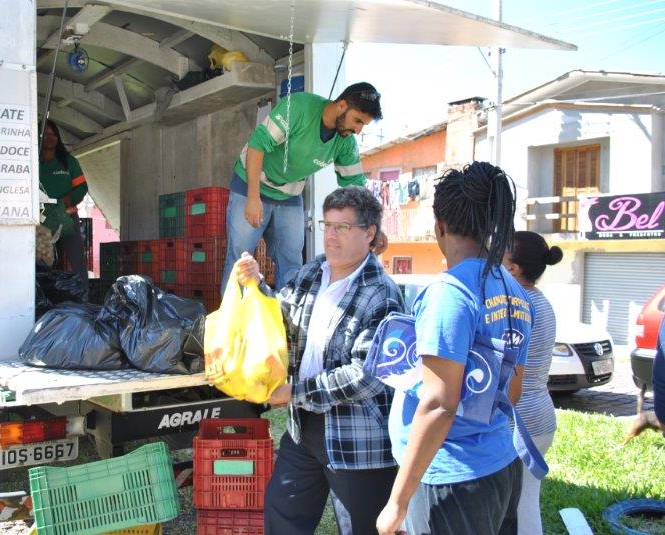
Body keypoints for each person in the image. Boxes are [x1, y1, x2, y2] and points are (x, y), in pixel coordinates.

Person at [234, 186, 405, 535]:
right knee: (282, 514)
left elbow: (365, 376)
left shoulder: (382, 293)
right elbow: (280, 314)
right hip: (303, 429)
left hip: (356, 439)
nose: (330, 235)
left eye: (343, 227)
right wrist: (257, 284)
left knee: (364, 528)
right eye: (327, 224)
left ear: (369, 233)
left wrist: (294, 391)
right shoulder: (314, 272)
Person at [377, 162, 534, 535]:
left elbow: (438, 405)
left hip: (450, 479)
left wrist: (396, 504)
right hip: (499, 465)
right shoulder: (513, 290)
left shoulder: (448, 293)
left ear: (440, 227)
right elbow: (513, 390)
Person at [221, 82, 383, 292]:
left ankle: (289, 320)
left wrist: (375, 228)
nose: (358, 130)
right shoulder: (298, 107)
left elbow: (356, 187)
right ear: (342, 106)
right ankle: (231, 324)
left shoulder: (345, 142)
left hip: (289, 195)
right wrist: (253, 197)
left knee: (292, 264)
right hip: (251, 185)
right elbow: (257, 144)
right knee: (239, 259)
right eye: (357, 120)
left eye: (363, 125)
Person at [503, 231, 563, 535]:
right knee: (526, 504)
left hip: (519, 423)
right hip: (540, 416)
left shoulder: (515, 305)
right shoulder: (541, 301)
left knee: (511, 510)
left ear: (513, 269)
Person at [39, 120, 89, 289]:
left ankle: (83, 300)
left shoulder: (69, 161)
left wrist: (70, 198)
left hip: (67, 218)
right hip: (42, 220)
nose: (49, 138)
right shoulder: (32, 162)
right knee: (43, 262)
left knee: (77, 262)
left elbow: (82, 187)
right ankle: (43, 300)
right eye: (45, 134)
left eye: (53, 134)